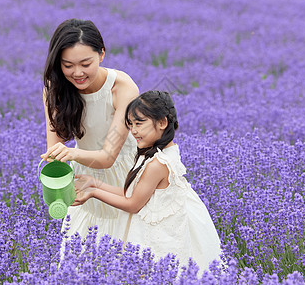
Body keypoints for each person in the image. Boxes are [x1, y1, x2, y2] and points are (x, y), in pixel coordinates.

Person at [73, 90, 223, 271]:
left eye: (139, 123)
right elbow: (134, 192)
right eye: (130, 125)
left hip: (161, 233)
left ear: (162, 122)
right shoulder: (162, 153)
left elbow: (133, 204)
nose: (133, 131)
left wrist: (93, 193)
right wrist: (95, 183)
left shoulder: (157, 164)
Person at [41, 18, 139, 239]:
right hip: (84, 176)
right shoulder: (54, 88)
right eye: (67, 65)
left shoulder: (122, 88)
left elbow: (108, 157)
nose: (77, 73)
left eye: (86, 64)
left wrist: (72, 153)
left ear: (102, 55)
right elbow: (54, 149)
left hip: (127, 176)